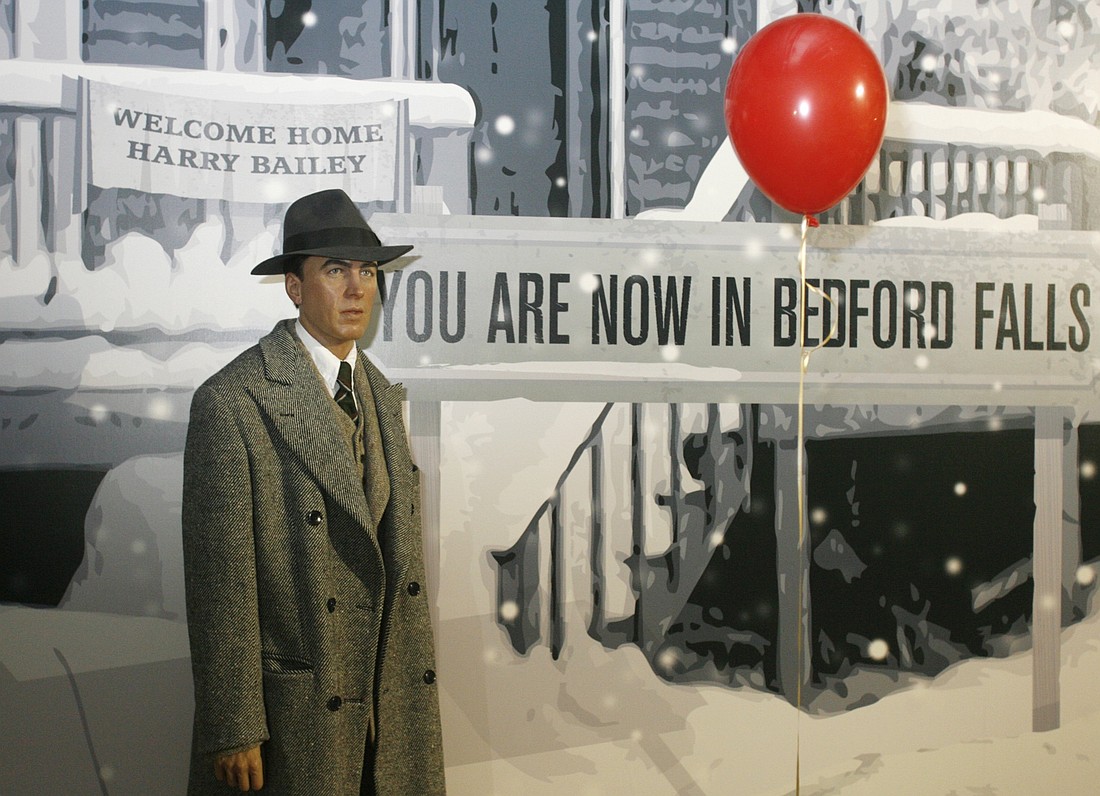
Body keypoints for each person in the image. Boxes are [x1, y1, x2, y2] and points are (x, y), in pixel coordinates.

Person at [182, 189, 445, 794]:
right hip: (293, 708)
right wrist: (233, 724)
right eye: (334, 270)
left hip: (383, 696)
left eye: (368, 271)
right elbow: (219, 581)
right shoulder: (234, 401)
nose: (357, 289)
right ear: (295, 288)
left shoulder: (380, 394)